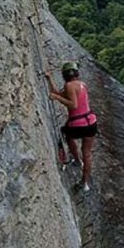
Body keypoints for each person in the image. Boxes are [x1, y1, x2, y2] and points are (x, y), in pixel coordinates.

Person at [45, 62, 97, 192]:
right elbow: (57, 93)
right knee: (88, 153)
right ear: (76, 73)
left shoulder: (69, 85)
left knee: (67, 135)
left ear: (65, 75)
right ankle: (85, 183)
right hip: (91, 122)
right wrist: (49, 79)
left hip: (77, 124)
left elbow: (73, 105)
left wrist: (56, 98)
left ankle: (76, 160)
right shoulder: (82, 84)